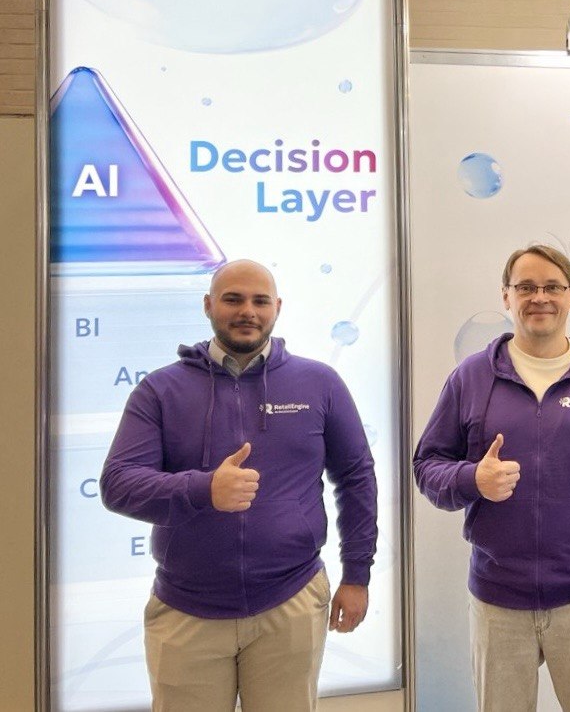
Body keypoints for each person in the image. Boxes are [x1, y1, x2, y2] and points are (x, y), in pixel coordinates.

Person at [100, 259, 378, 712]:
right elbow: (118, 483)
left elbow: (356, 477)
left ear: (277, 308)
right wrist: (203, 489)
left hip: (291, 600)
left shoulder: (319, 383)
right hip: (186, 609)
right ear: (208, 305)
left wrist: (357, 575)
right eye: (233, 299)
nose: (247, 310)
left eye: (259, 301)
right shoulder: (160, 390)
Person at [413, 244, 570, 712]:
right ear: (506, 296)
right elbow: (427, 465)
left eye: (552, 287)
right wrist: (472, 479)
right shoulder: (471, 377)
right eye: (525, 287)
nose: (539, 297)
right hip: (497, 601)